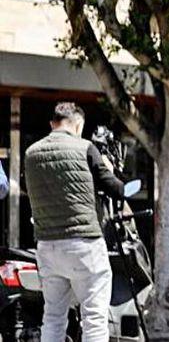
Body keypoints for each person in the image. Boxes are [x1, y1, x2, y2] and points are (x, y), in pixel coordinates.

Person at [23, 102, 129, 342]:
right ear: (78, 124)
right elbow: (114, 188)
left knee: (52, 316)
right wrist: (109, 169)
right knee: (94, 317)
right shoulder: (85, 148)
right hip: (84, 244)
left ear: (53, 124)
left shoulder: (31, 153)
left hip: (47, 244)